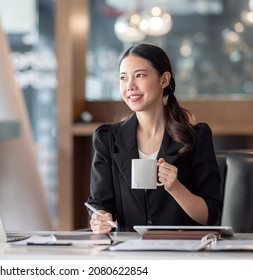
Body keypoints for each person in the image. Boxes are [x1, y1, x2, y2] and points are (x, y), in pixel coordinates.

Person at [86, 43, 222, 233]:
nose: (130, 86)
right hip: (127, 253)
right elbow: (100, 204)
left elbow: (210, 215)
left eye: (140, 75)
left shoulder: (196, 137)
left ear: (164, 79)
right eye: (123, 78)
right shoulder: (107, 138)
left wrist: (175, 187)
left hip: (182, 251)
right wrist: (100, 218)